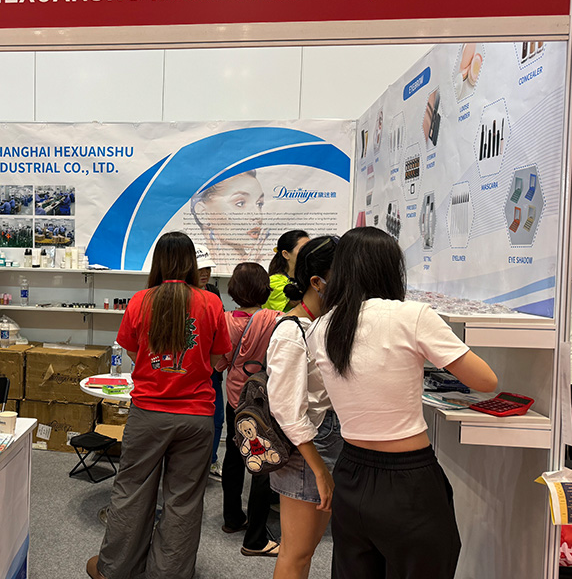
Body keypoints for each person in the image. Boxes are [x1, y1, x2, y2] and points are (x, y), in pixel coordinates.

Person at [306, 227, 498, 579]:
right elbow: (486, 381)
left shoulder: (321, 327)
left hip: (350, 474)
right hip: (408, 482)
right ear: (391, 269)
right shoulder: (413, 316)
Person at [87, 232, 230, 579]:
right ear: (192, 262)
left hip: (148, 413)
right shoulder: (211, 303)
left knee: (132, 490)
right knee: (184, 500)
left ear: (158, 262)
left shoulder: (140, 301)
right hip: (196, 415)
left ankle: (116, 568)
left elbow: (132, 352)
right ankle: (169, 573)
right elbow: (218, 360)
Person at [265, 235, 343, 579]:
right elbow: (287, 411)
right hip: (307, 450)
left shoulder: (324, 324)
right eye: (343, 276)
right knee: (296, 553)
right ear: (317, 282)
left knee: (305, 550)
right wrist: (319, 470)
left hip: (324, 443)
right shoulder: (291, 331)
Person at [213, 262, 283, 557]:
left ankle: (232, 518)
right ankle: (256, 537)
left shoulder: (225, 321)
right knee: (263, 462)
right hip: (265, 399)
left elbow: (220, 363)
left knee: (233, 456)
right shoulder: (277, 319)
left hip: (235, 398)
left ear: (233, 290)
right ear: (264, 289)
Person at [189, 170, 266, 273]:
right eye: (240, 203)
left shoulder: (267, 263)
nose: (258, 216)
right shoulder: (190, 266)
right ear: (203, 213)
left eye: (259, 204)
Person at [194, 244, 224, 481]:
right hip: (190, 368)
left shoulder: (213, 292)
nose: (205, 273)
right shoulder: (182, 294)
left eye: (208, 269)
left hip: (212, 368)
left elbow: (219, 330)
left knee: (216, 418)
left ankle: (211, 460)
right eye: (200, 269)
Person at [264, 229, 309, 311]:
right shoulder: (274, 282)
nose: (309, 252)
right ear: (286, 254)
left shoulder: (307, 278)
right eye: (303, 249)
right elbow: (304, 305)